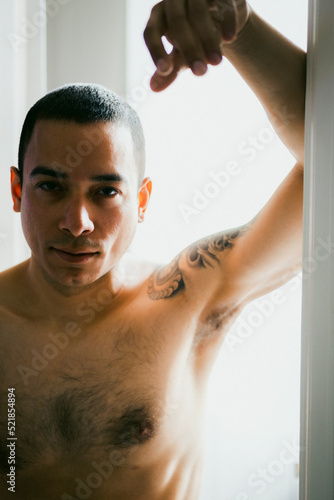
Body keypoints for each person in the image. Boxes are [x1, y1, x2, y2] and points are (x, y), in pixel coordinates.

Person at [0, 1, 306, 499]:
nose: (77, 223)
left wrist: (238, 26)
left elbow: (326, 156)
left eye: (105, 192)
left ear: (141, 201)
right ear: (17, 192)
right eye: (52, 187)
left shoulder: (187, 299)